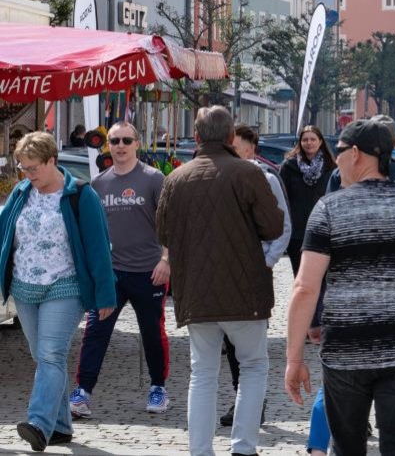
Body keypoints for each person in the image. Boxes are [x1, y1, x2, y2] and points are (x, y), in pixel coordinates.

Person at [285, 117, 395, 456]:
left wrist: (294, 358)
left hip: (345, 352)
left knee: (348, 447)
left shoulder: (329, 209)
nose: (334, 160)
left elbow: (305, 288)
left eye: (338, 152)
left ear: (355, 154)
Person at [156, 106, 284, 456]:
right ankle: (243, 447)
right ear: (231, 137)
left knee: (203, 373)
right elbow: (273, 226)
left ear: (196, 137)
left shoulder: (176, 179)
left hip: (197, 294)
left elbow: (162, 231)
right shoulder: (247, 173)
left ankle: (201, 450)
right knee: (254, 366)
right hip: (245, 293)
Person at [0, 132, 116, 452]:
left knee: (51, 354)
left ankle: (39, 422)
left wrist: (106, 294)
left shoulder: (80, 194)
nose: (28, 174)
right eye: (23, 168)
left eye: (33, 167)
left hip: (64, 285)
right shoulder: (22, 192)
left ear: (52, 160)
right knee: (44, 357)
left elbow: (98, 247)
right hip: (24, 288)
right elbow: (3, 233)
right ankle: (62, 426)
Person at [69, 122, 170, 420]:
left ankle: (158, 388)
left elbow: (170, 225)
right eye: (114, 141)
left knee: (152, 332)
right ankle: (83, 392)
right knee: (96, 333)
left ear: (137, 144)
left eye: (127, 140)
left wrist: (167, 260)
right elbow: (91, 230)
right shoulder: (99, 183)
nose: (120, 145)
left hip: (148, 272)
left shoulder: (154, 179)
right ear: (107, 145)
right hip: (110, 274)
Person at [219, 124, 293, 428]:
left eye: (237, 146)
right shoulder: (222, 178)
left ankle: (253, 402)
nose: (233, 151)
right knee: (230, 342)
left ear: (251, 148)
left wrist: (267, 261)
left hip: (254, 272)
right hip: (224, 272)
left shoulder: (267, 179)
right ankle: (242, 398)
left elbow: (284, 225)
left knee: (250, 342)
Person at [281, 126, 337, 275]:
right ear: (300, 143)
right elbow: (282, 199)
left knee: (323, 278)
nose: (309, 143)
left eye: (313, 139)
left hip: (324, 232)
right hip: (297, 233)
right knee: (300, 275)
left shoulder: (331, 168)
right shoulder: (289, 167)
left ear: (320, 142)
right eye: (305, 139)